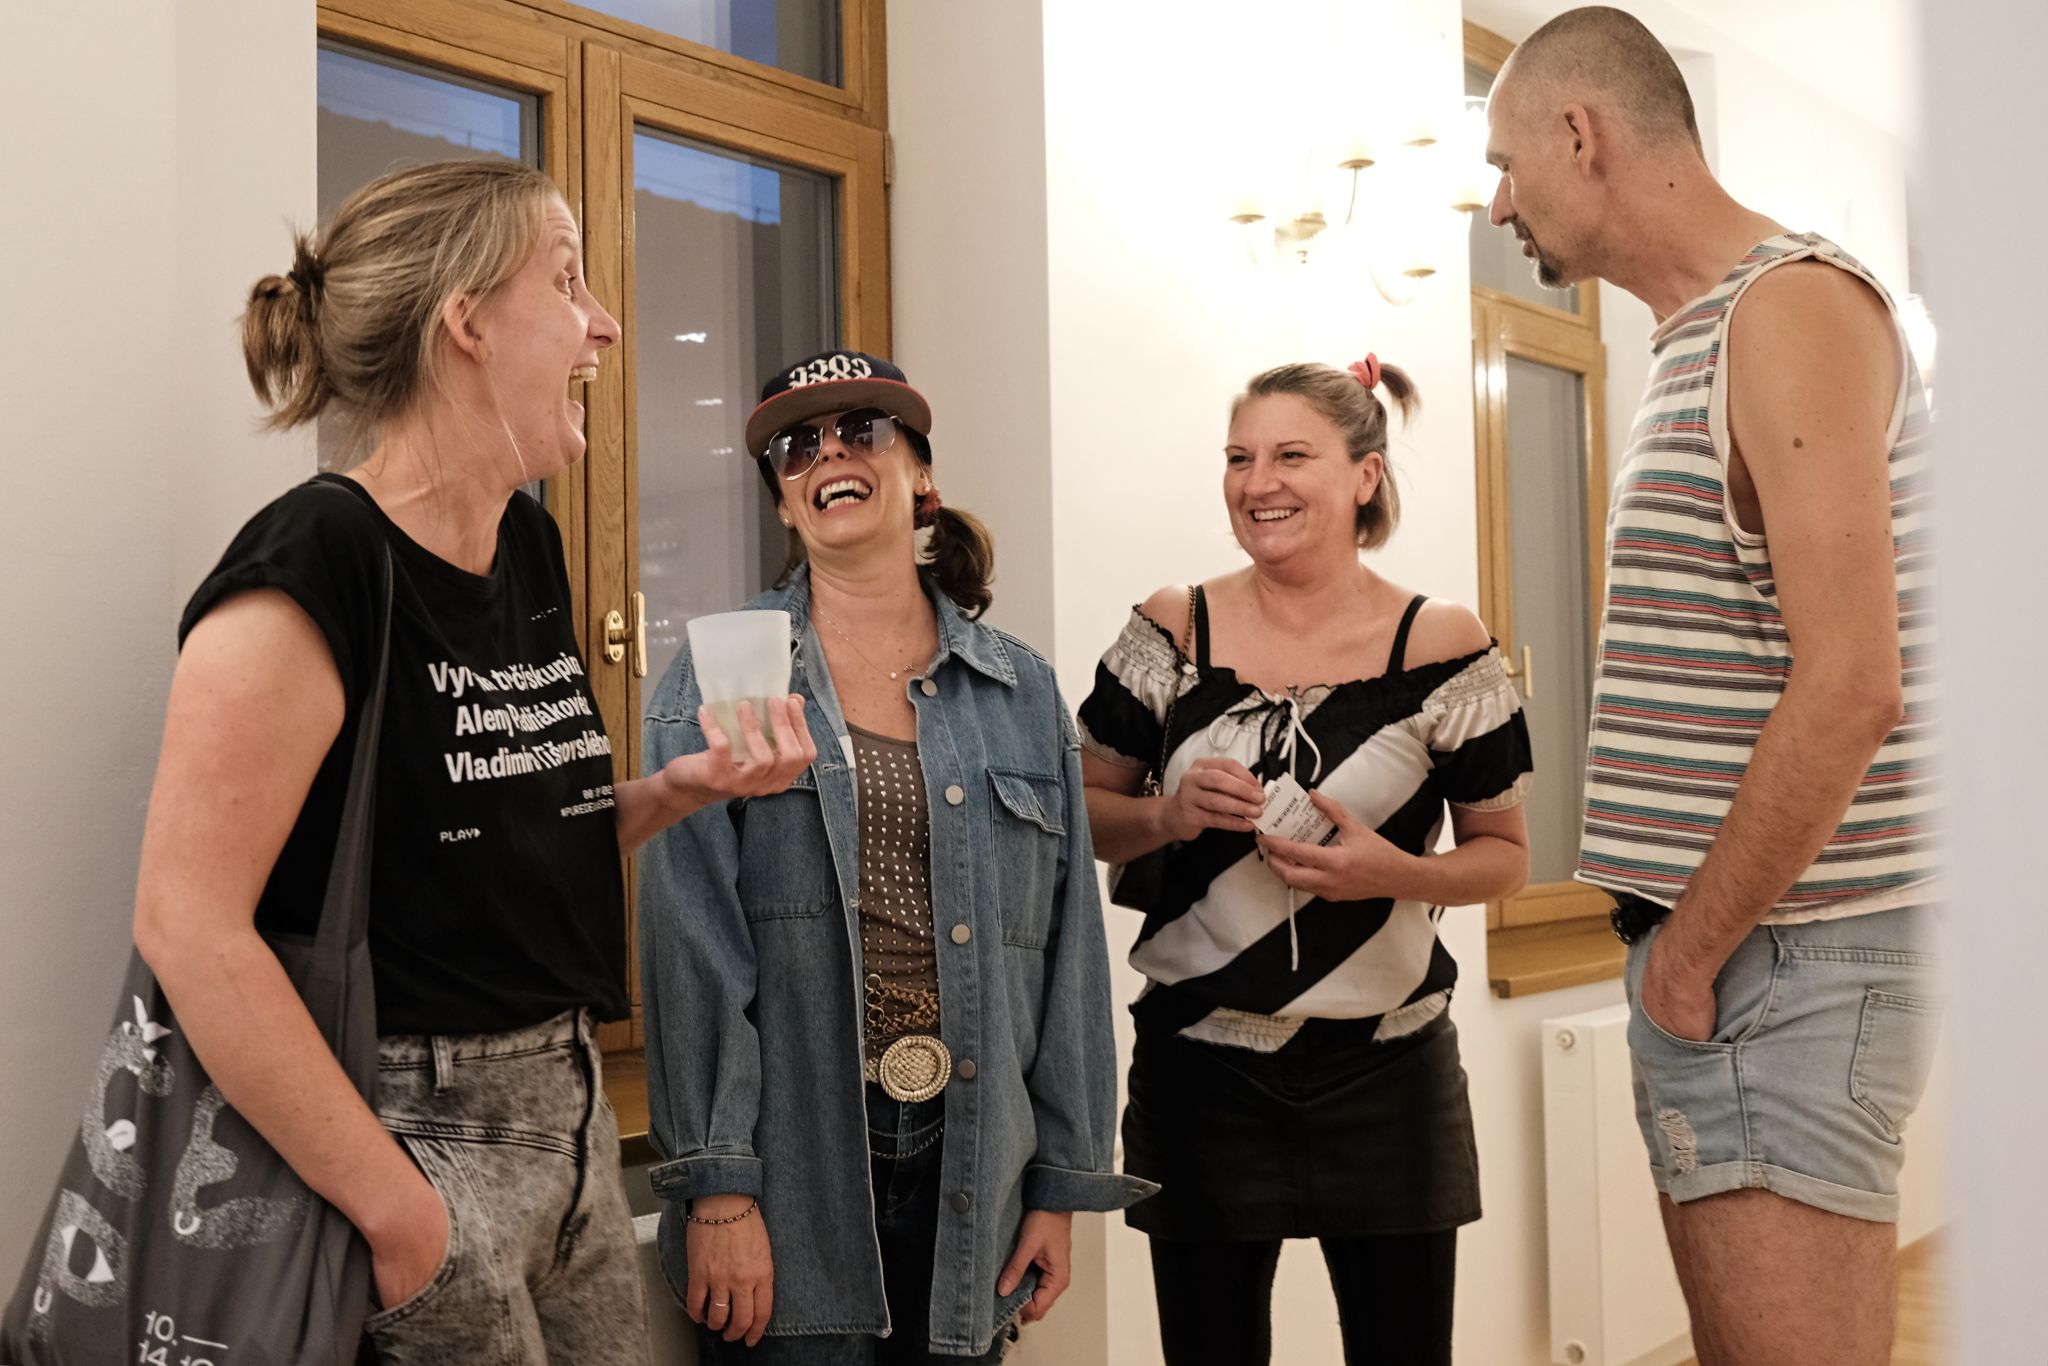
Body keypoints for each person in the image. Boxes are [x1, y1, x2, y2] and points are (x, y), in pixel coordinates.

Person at [139, 158, 815, 1364]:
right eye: (566, 280)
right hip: (408, 1131)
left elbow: (508, 834)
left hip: (571, 1117)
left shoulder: (527, 545)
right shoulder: (317, 557)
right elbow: (186, 924)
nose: (604, 323)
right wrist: (401, 1214)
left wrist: (681, 788)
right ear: (465, 322)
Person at [1482, 11, 1940, 1365]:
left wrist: (1687, 957)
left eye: (1506, 163)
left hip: (1778, 958)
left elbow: (1852, 684)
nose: (1499, 205)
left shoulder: (1785, 307)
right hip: (1750, 962)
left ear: (1581, 134)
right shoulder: (1699, 334)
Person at [638, 350, 1154, 1364]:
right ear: (783, 501)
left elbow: (1067, 957)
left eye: (862, 430)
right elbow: (689, 944)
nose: (829, 453)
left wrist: (1059, 1184)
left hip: (977, 1161)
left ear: (921, 475)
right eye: (797, 446)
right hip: (793, 1168)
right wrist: (718, 1188)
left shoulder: (1019, 692)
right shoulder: (721, 677)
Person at [1078, 356, 1532, 1366]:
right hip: (1199, 1073)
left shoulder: (1441, 643)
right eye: (1238, 458)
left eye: (1290, 455)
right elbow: (1081, 818)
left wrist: (1393, 874)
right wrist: (1167, 814)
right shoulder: (1171, 627)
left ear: (1365, 474)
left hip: (1391, 1073)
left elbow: (1503, 858)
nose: (1257, 483)